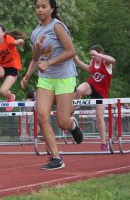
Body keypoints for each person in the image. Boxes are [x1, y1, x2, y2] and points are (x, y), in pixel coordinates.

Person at [21, 0, 83, 170]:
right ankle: (56, 158)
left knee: (62, 122)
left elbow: (71, 52)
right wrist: (27, 75)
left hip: (64, 77)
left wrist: (49, 63)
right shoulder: (35, 33)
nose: (40, 10)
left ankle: (72, 124)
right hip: (45, 78)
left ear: (52, 9)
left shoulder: (57, 26)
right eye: (37, 7)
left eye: (43, 7)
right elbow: (35, 58)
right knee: (41, 115)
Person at [74, 45, 116, 151]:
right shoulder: (93, 62)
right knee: (79, 89)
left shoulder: (106, 62)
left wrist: (98, 55)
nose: (92, 57)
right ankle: (74, 108)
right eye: (91, 55)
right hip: (91, 86)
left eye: (94, 55)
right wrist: (77, 61)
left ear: (100, 53)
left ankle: (103, 143)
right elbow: (88, 69)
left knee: (99, 118)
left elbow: (113, 60)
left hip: (101, 93)